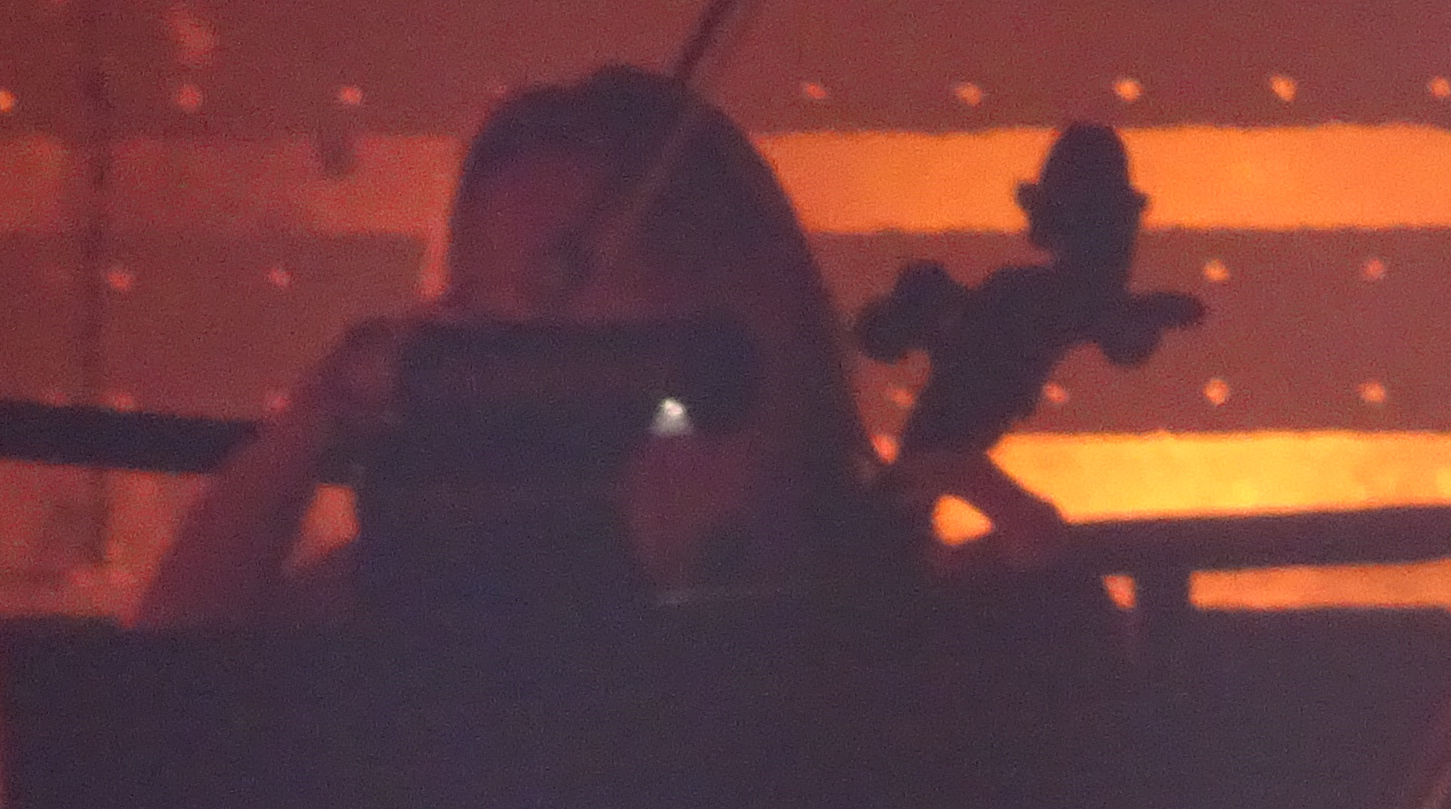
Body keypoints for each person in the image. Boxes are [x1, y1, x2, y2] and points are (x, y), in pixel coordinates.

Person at [136, 65, 907, 625]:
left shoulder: (876, 577)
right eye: (480, 292)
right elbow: (174, 690)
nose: (514, 327)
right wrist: (315, 417)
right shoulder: (461, 560)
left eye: (557, 277)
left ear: (717, 277)